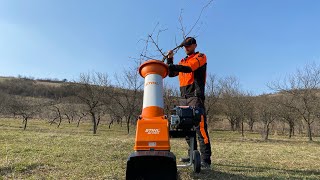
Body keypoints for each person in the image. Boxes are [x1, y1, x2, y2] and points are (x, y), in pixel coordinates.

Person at [166, 37, 212, 168]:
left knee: (200, 128)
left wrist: (171, 65)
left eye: (189, 45)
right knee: (185, 126)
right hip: (183, 97)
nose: (186, 48)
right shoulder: (182, 61)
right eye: (185, 46)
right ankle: (192, 155)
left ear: (195, 45)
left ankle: (205, 160)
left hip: (195, 97)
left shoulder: (201, 56)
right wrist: (170, 59)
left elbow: (189, 68)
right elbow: (171, 73)